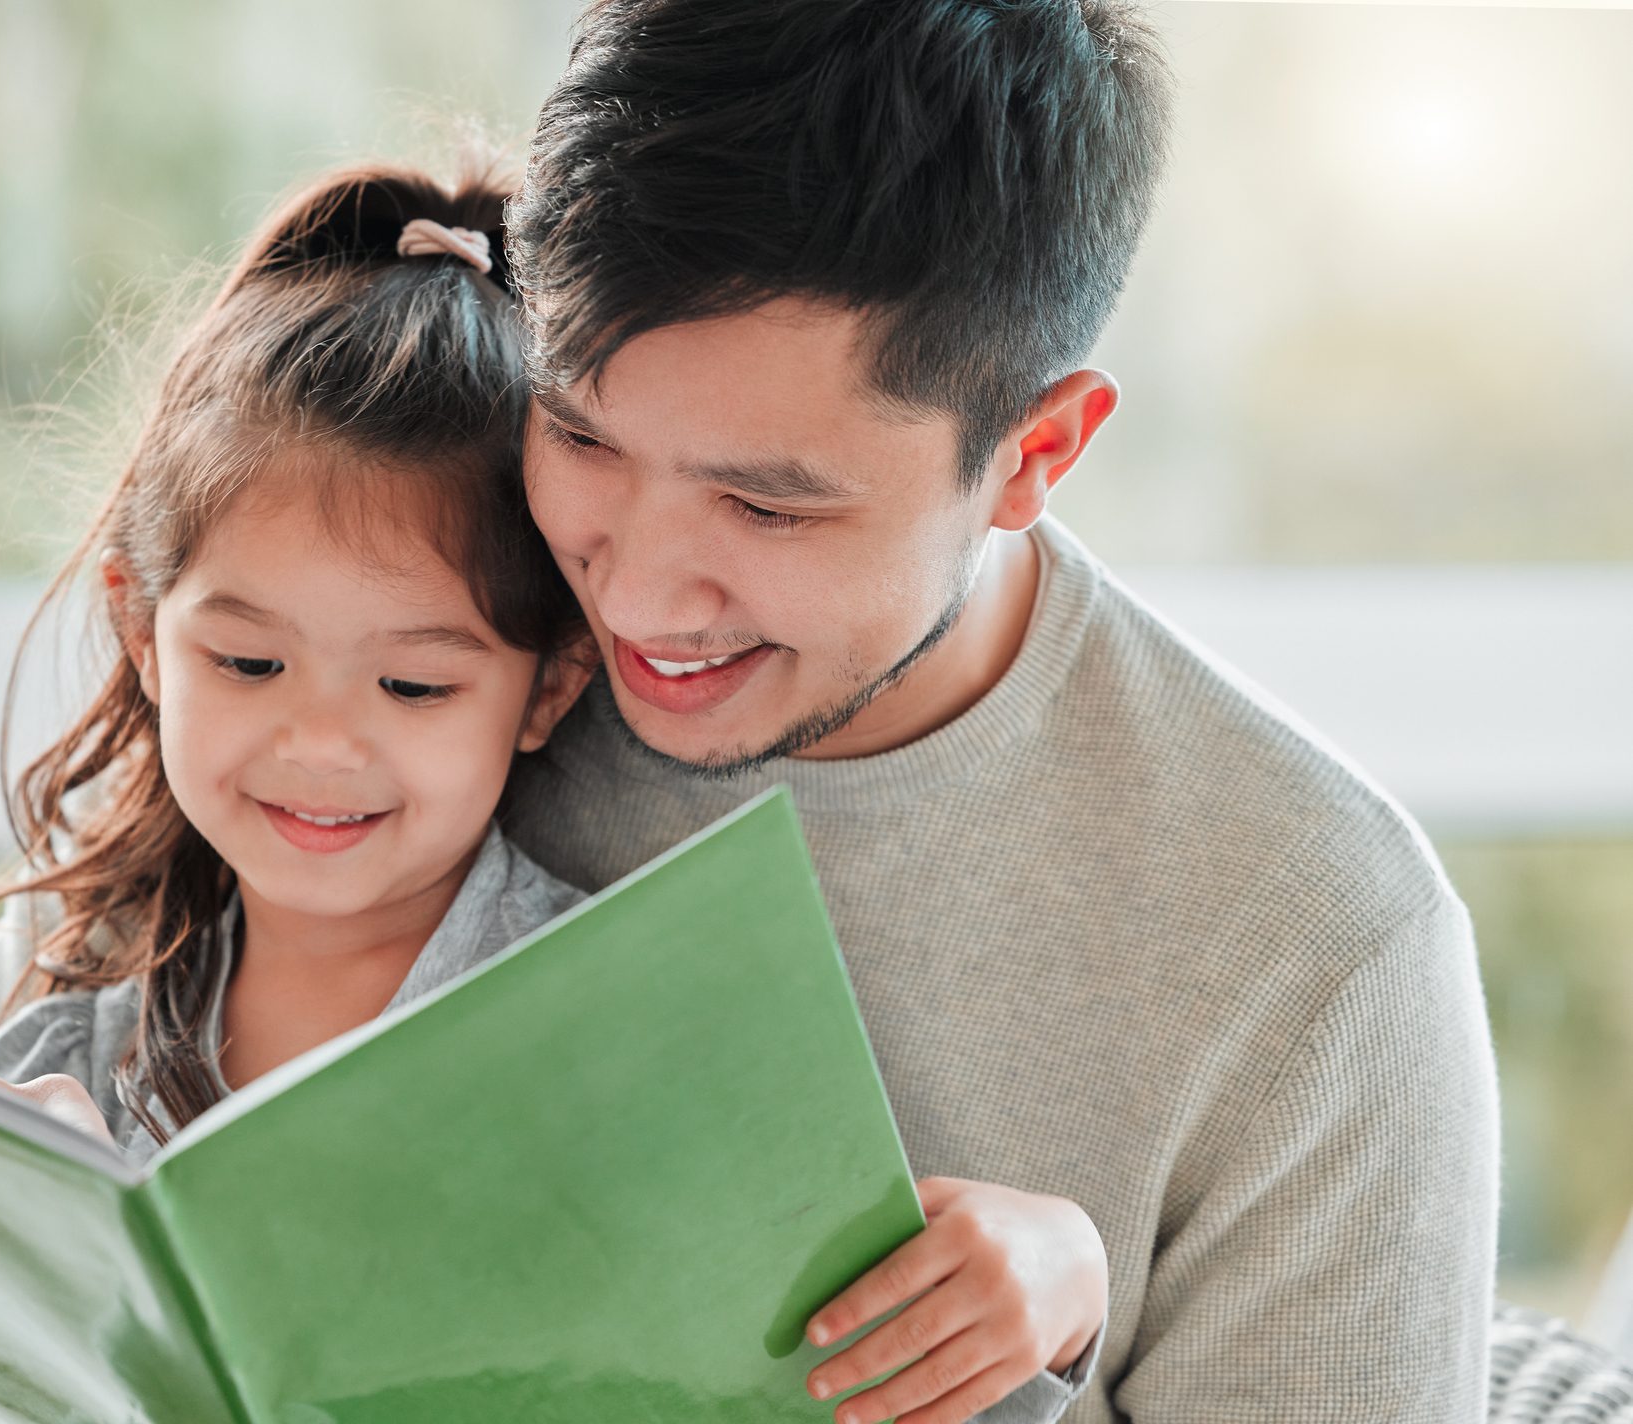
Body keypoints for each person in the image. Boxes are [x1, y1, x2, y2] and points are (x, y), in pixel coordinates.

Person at [495, 0, 1498, 1421]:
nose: (641, 597)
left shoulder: (1317, 946)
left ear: (1033, 454)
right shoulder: (423, 647)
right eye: (580, 435)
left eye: (768, 504)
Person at [0, 162, 602, 1424]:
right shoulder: (79, 1006)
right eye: (248, 663)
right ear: (141, 633)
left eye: (412, 686)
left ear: (547, 689)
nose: (321, 743)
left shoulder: (604, 1015)